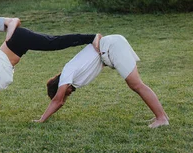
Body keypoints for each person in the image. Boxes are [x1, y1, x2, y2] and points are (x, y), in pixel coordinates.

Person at [0, 26, 101, 119]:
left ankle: (91, 37)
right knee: (53, 43)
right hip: (20, 43)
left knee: (53, 43)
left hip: (20, 39)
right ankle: (90, 38)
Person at [35, 34, 169, 128]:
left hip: (112, 46)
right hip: (112, 44)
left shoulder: (66, 74)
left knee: (136, 85)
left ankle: (161, 118)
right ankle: (161, 116)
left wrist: (42, 120)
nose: (68, 94)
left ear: (59, 86)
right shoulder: (72, 76)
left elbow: (57, 101)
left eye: (66, 93)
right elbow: (59, 101)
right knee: (135, 85)